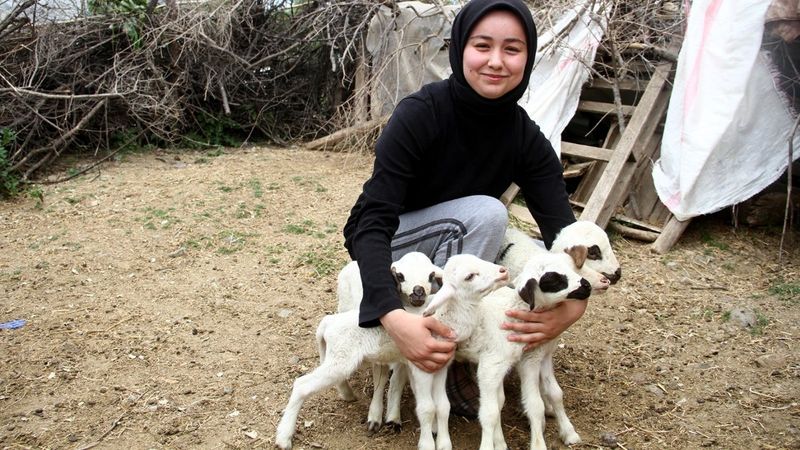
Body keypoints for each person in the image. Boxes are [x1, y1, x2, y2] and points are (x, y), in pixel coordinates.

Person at [342, 0, 587, 417]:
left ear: (527, 58)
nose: (496, 61)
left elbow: (563, 234)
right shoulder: (421, 114)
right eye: (482, 45)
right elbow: (372, 222)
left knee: (524, 248)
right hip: (396, 234)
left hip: (459, 229)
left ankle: (481, 340)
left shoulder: (524, 135)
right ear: (459, 49)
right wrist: (393, 318)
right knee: (489, 215)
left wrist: (574, 303)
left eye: (512, 49)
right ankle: (447, 352)